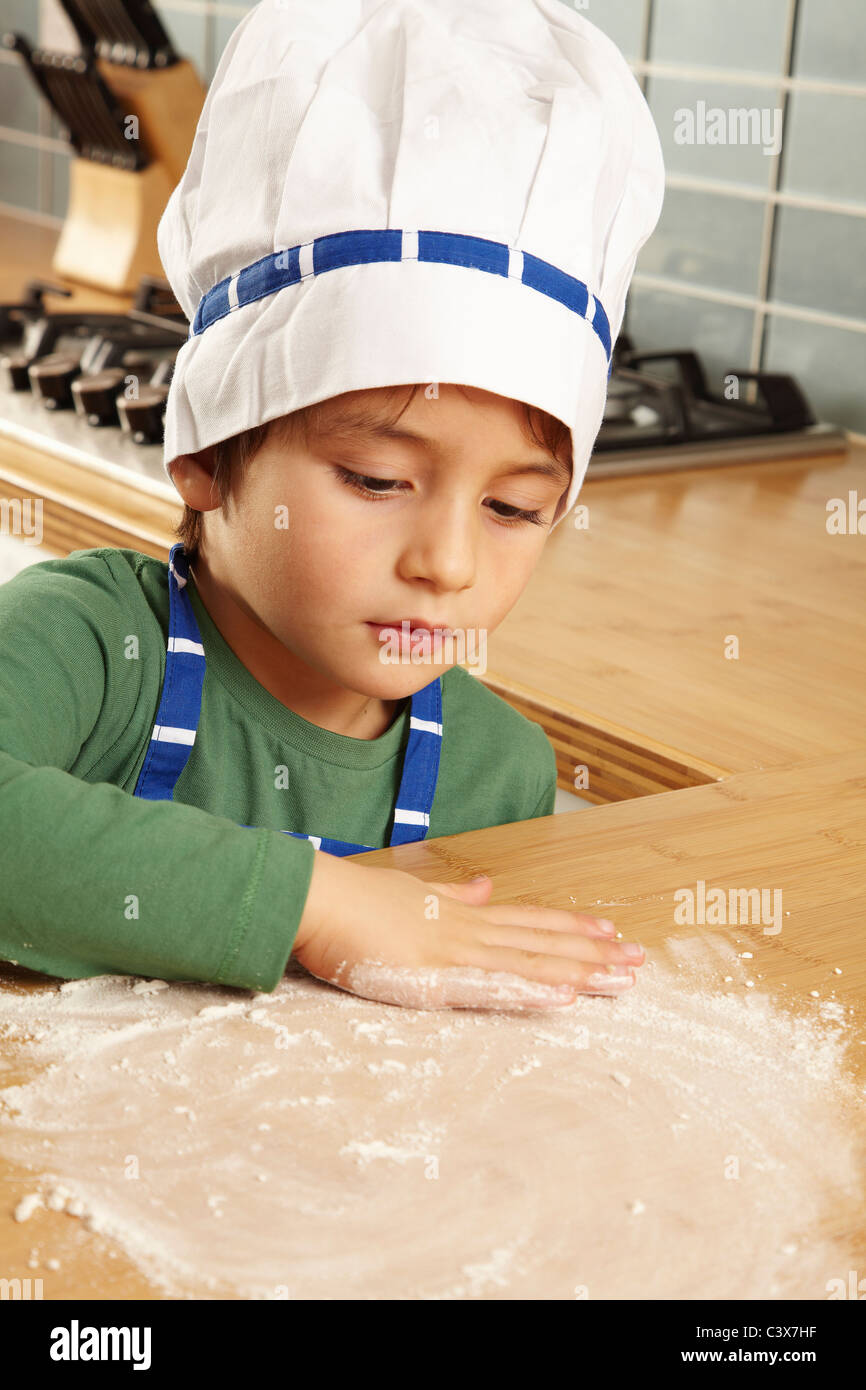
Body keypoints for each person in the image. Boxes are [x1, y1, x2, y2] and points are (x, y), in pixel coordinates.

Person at [0, 0, 665, 1010]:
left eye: (513, 508)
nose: (443, 564)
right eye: (375, 481)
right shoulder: (89, 647)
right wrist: (314, 902)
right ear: (208, 458)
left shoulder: (496, 775)